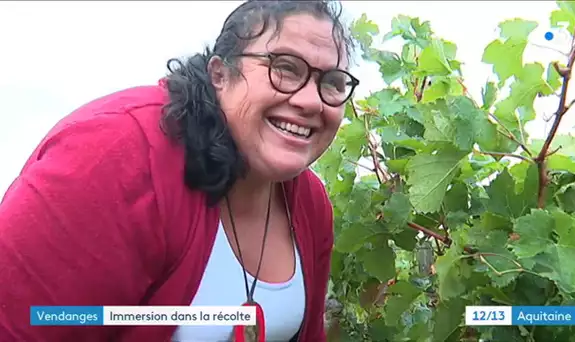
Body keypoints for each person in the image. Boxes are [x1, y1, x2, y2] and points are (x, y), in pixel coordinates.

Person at [0, 0, 359, 341]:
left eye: (332, 82)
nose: (311, 101)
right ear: (220, 74)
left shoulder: (310, 203)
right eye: (284, 68)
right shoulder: (114, 158)